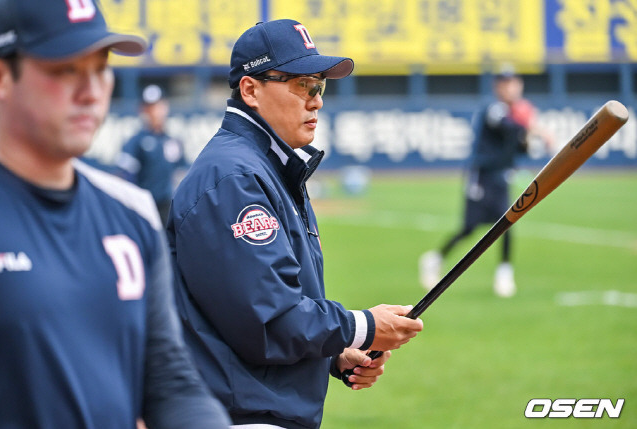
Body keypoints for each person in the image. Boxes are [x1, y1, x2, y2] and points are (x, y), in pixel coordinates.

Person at [167, 19, 424, 429]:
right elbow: (269, 321)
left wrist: (333, 353)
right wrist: (363, 326)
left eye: (320, 86)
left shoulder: (265, 167)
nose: (316, 100)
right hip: (242, 415)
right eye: (304, 85)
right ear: (250, 90)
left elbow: (243, 314)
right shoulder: (235, 178)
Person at [0, 0, 230, 427]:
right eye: (65, 69)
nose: (92, 92)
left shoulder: (131, 214)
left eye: (100, 68)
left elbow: (168, 381)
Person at [419, 69, 552, 298]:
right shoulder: (495, 109)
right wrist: (535, 127)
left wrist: (529, 136)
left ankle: (504, 273)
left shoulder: (514, 114)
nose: (511, 88)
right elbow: (507, 127)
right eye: (506, 83)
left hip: (501, 176)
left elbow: (520, 146)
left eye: (514, 83)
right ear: (497, 87)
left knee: (507, 221)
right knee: (469, 228)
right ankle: (435, 258)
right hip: (481, 177)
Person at [116, 84, 188, 225]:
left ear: (165, 107)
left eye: (157, 106)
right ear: (142, 110)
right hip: (143, 207)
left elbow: (181, 174)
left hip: (167, 207)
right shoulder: (136, 141)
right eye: (149, 107)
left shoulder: (172, 141)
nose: (154, 112)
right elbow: (124, 176)